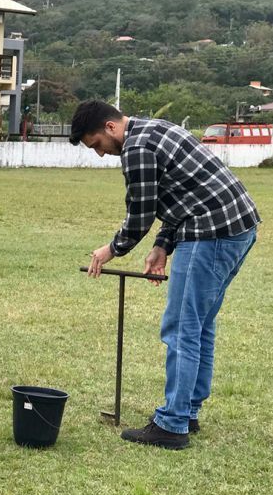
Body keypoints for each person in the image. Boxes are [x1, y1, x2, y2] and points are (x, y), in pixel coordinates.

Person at [70, 100, 260, 450]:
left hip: (210, 232)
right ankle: (187, 410)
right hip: (236, 227)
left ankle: (172, 425)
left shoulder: (136, 148)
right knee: (199, 325)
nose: (100, 153)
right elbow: (181, 195)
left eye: (97, 144)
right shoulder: (155, 129)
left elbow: (141, 212)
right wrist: (162, 246)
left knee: (182, 327)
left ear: (110, 127)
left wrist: (111, 249)